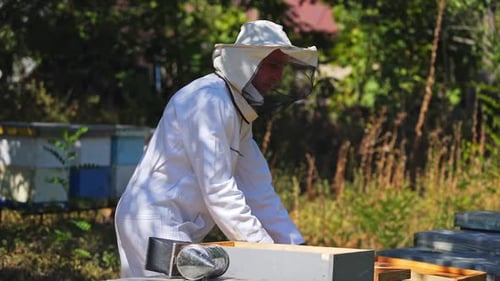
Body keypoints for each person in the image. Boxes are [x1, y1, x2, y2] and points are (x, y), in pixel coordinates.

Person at [114, 19, 318, 277]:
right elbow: (219, 190)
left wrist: (296, 246)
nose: (278, 78)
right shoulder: (208, 101)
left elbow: (258, 190)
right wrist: (267, 252)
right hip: (154, 223)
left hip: (173, 223)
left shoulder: (236, 111)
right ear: (247, 63)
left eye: (282, 68)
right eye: (273, 66)